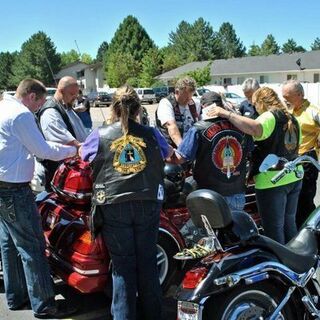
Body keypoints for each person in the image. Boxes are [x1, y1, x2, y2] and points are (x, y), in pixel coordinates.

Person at [80, 85, 173, 320]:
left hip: (113, 205)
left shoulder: (100, 134)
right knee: (147, 263)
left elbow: (83, 155)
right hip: (147, 202)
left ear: (113, 106)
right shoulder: (151, 134)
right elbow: (168, 154)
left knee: (122, 268)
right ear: (139, 108)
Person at [0, 79, 78, 318]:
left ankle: (16, 297)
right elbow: (42, 150)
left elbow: (37, 144)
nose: (40, 107)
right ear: (32, 96)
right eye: (41, 101)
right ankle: (45, 306)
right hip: (14, 190)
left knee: (9, 245)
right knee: (33, 246)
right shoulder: (22, 114)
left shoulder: (4, 107)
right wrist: (74, 150)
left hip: (3, 187)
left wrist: (63, 146)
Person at [209, 87, 303, 244]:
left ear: (261, 102)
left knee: (274, 229)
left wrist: (226, 113)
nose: (255, 109)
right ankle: (295, 262)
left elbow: (254, 128)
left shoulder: (269, 116)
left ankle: (278, 265)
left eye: (255, 104)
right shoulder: (292, 118)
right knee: (289, 224)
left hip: (273, 180)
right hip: (293, 176)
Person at [172, 92, 250, 259]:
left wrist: (164, 151)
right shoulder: (241, 127)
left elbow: (181, 157)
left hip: (209, 197)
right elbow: (248, 150)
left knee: (203, 244)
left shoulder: (198, 128)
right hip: (237, 192)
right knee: (231, 242)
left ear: (204, 107)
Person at [36, 76, 88, 191]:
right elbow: (66, 142)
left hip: (71, 171)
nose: (75, 97)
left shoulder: (67, 107)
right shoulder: (50, 112)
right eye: (72, 94)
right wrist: (86, 148)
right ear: (60, 91)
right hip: (58, 173)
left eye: (76, 93)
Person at [282, 79, 320, 228]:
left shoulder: (313, 111)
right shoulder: (287, 110)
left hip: (306, 161)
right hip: (288, 161)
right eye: (283, 96)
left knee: (305, 200)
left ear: (300, 95)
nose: (284, 99)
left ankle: (310, 232)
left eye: (288, 96)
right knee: (291, 200)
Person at [155, 76, 201, 147]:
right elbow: (171, 126)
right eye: (185, 97)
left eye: (190, 97)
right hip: (170, 150)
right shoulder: (166, 103)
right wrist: (183, 150)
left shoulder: (195, 104)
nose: (188, 100)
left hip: (190, 149)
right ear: (177, 92)